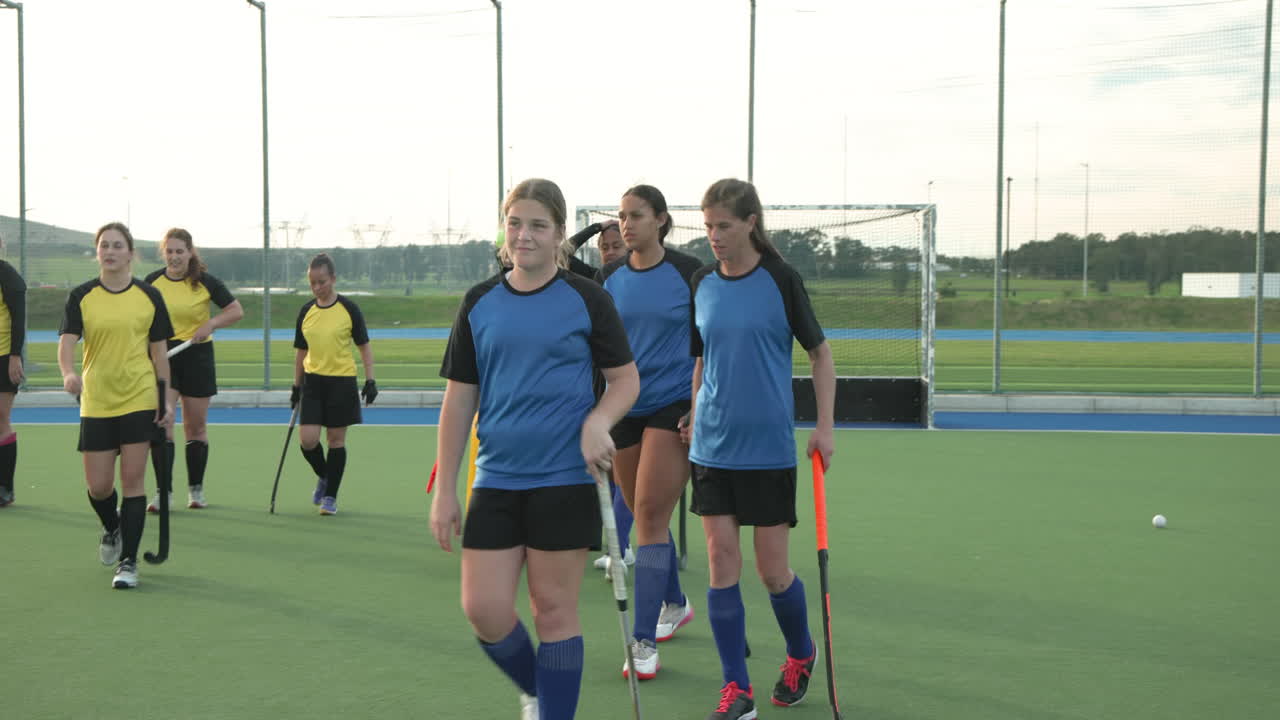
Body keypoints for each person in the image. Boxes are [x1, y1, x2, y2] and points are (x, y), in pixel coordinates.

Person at [430, 178, 639, 720]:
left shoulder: (588, 298)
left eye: (538, 226)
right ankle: (537, 691)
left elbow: (625, 381)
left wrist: (599, 420)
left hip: (565, 478)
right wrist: (445, 490)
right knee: (485, 610)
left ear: (560, 234)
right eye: (515, 223)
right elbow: (459, 401)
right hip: (496, 478)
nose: (524, 236)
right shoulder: (480, 302)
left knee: (553, 613)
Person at [683, 179, 836, 719]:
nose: (715, 237)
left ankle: (800, 652)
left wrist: (824, 426)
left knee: (772, 572)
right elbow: (702, 361)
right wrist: (694, 410)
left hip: (769, 448)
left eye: (723, 225)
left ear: (751, 222)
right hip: (712, 447)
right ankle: (737, 690)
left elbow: (820, 354)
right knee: (721, 562)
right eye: (707, 227)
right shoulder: (701, 282)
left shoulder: (780, 279)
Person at [597, 184, 705, 680]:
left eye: (636, 215)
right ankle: (676, 602)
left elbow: (711, 342)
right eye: (621, 216)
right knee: (640, 512)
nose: (626, 224)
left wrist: (699, 403)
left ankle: (642, 642)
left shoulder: (689, 274)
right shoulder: (609, 277)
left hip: (673, 405)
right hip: (625, 409)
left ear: (660, 220)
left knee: (649, 516)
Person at [58, 222, 174, 590]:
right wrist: (67, 373)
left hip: (139, 397)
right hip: (96, 399)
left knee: (133, 482)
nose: (109, 251)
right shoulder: (82, 296)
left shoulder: (148, 296)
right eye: (104, 245)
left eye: (117, 245)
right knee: (99, 486)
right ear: (98, 252)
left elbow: (160, 354)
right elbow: (67, 342)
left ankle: (129, 563)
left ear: (131, 253)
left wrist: (165, 400)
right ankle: (113, 527)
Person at [144, 228, 244, 511]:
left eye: (180, 251)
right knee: (163, 423)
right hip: (165, 355)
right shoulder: (152, 282)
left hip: (197, 355)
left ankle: (196, 491)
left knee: (195, 427)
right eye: (170, 251)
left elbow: (235, 310)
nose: (174, 257)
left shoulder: (205, 282)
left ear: (190, 252)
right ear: (163, 252)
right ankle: (164, 492)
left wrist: (210, 324)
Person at [292, 253, 376, 516]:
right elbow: (300, 352)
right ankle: (325, 475)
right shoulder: (306, 311)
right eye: (313, 282)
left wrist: (370, 379)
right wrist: (296, 386)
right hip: (313, 382)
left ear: (333, 279)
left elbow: (364, 346)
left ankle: (330, 497)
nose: (317, 287)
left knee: (335, 440)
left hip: (341, 381)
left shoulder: (349, 309)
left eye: (322, 281)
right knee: (308, 440)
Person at [0, 233, 25, 508]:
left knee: (1, 419)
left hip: (3, 356)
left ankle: (5, 487)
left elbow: (19, 319)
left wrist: (15, 356)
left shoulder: (8, 276)